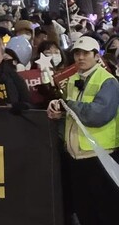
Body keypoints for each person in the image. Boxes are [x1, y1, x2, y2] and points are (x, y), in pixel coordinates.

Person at [47, 35, 119, 225]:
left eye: (86, 53)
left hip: (100, 156)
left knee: (106, 210)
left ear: (96, 56)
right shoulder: (71, 80)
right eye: (77, 53)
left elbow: (98, 115)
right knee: (85, 210)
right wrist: (58, 111)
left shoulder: (108, 81)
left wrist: (66, 105)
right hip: (76, 156)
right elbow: (71, 111)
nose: (80, 57)